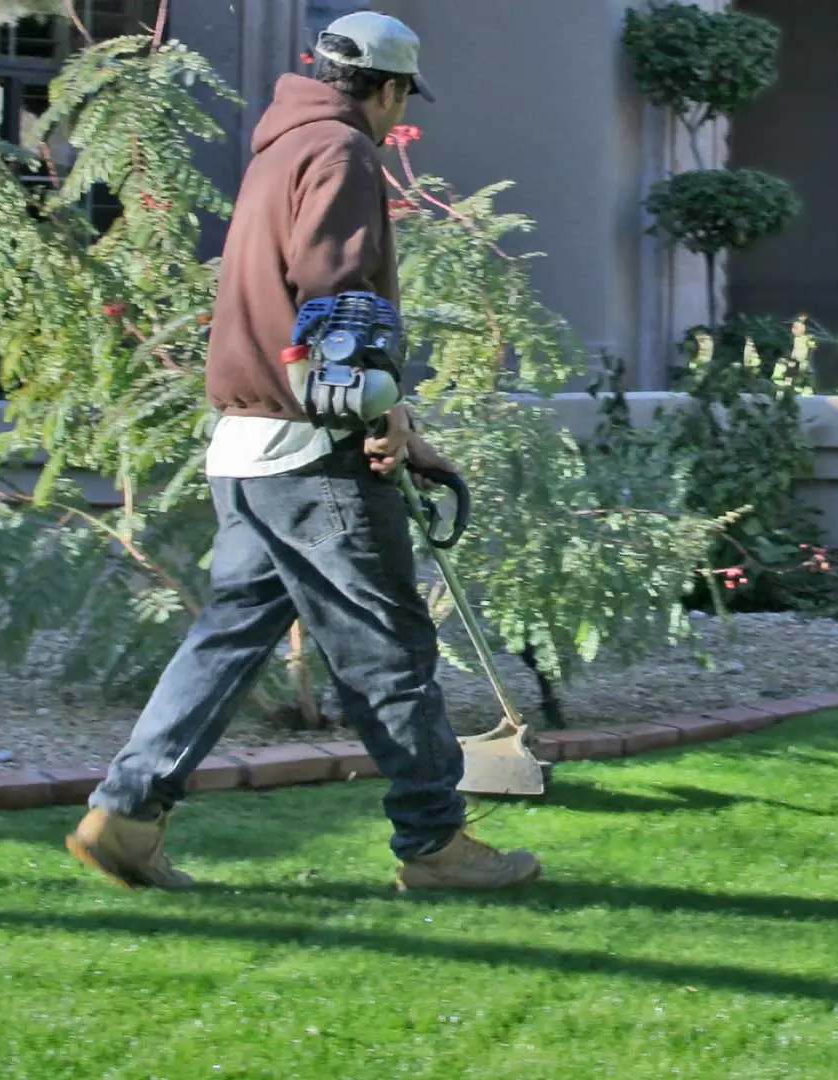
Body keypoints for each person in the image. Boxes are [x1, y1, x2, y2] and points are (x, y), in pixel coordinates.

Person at [65, 12, 542, 894]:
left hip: (246, 448)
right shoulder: (341, 153)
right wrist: (378, 417)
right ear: (392, 91)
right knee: (390, 650)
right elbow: (338, 290)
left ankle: (125, 818)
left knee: (228, 636)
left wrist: (400, 420)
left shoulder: (279, 147)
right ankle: (436, 846)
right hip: (311, 455)